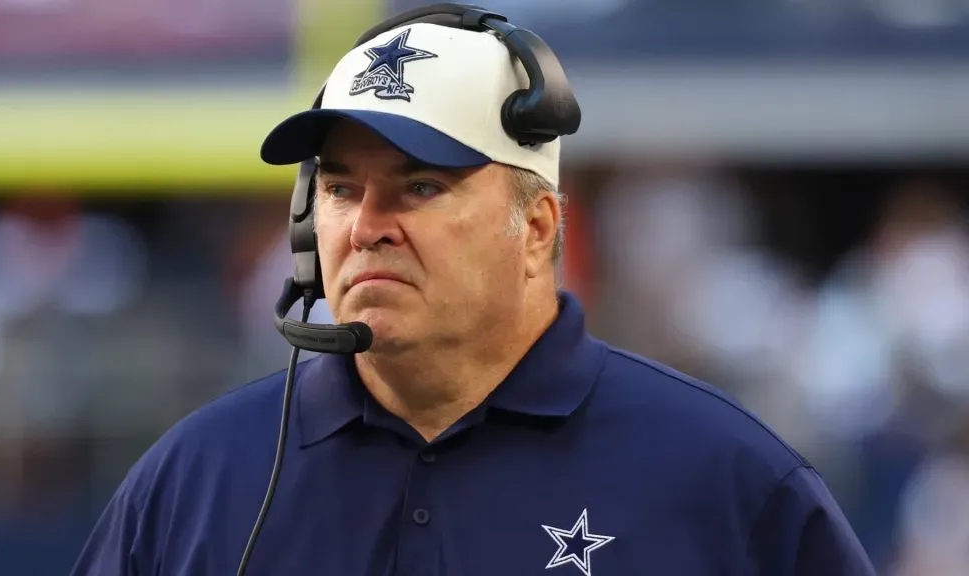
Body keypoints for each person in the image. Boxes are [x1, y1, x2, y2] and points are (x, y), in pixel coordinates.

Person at [71, 6, 878, 576]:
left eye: (420, 187)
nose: (367, 226)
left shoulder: (722, 477)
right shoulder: (197, 480)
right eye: (342, 189)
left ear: (537, 228)